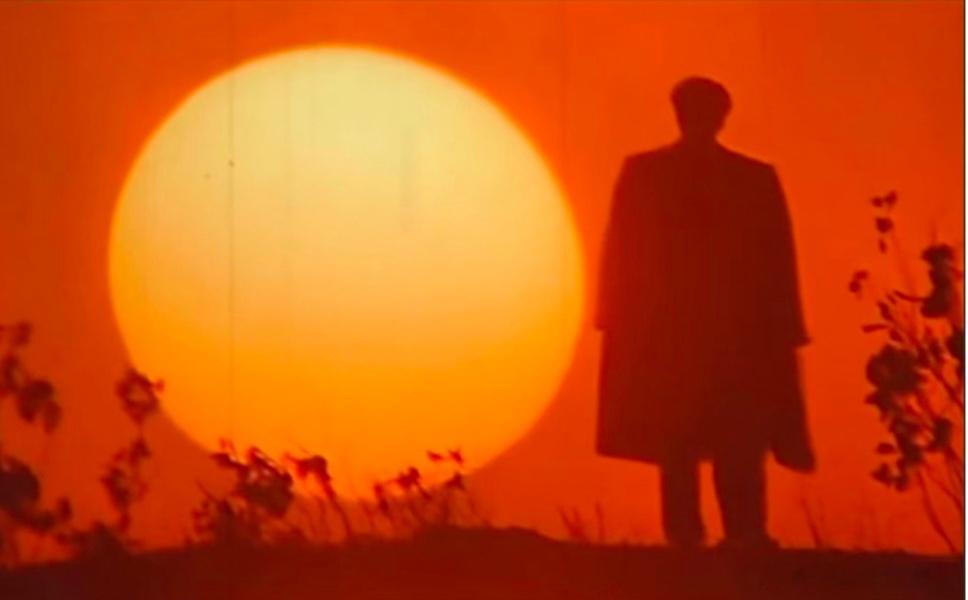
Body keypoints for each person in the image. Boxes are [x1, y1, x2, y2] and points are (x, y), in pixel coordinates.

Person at [595, 77, 815, 549]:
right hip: (684, 334)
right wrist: (616, 313)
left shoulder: (746, 179)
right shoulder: (656, 174)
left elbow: (776, 259)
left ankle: (732, 535)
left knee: (727, 440)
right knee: (690, 441)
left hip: (727, 334)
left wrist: (783, 326)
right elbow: (624, 250)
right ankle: (707, 536)